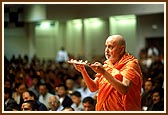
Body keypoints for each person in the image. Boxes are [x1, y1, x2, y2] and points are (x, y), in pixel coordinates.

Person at [73, 35, 143, 111]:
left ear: (121, 49)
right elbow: (93, 88)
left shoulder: (130, 64)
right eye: (106, 46)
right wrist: (83, 71)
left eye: (110, 47)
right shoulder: (107, 65)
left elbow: (124, 89)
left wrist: (103, 72)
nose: (106, 50)